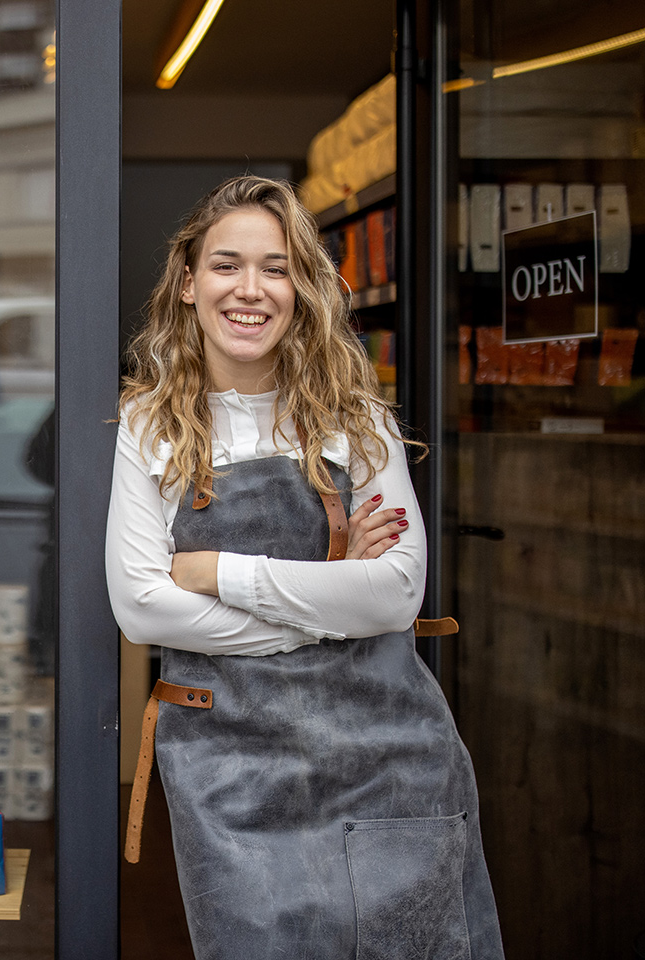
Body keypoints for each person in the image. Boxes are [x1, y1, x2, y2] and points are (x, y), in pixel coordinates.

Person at [106, 176, 504, 959]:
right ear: (187, 283)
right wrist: (329, 606)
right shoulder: (146, 427)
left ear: (303, 288)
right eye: (225, 265)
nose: (249, 289)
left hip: (388, 761)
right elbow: (143, 611)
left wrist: (211, 569)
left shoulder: (359, 420)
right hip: (232, 775)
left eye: (277, 267)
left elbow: (393, 595)